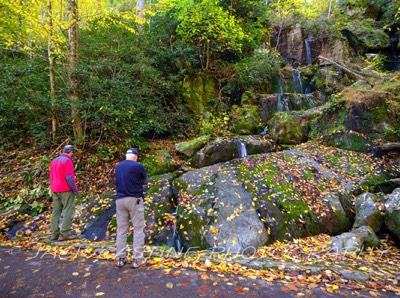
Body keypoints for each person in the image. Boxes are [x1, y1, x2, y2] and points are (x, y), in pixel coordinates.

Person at [115, 148, 148, 268]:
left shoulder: (118, 166)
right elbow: (145, 181)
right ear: (135, 156)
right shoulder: (138, 166)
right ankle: (137, 259)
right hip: (134, 199)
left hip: (120, 200)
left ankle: (120, 258)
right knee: (138, 229)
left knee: (122, 229)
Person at [49, 145, 79, 241]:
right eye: (72, 152)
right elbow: (69, 177)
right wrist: (75, 189)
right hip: (65, 189)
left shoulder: (53, 161)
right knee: (69, 210)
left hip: (55, 189)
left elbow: (51, 176)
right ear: (70, 152)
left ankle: (54, 234)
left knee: (56, 211)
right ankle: (64, 234)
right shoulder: (67, 161)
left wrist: (52, 186)